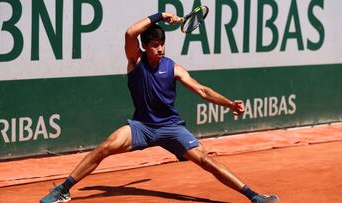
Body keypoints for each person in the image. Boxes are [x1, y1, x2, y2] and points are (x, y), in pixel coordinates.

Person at [40, 12, 279, 203]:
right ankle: (63, 189)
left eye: (162, 44)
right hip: (142, 126)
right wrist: (161, 15)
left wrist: (229, 104)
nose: (160, 49)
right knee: (105, 148)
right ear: (144, 46)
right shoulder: (135, 61)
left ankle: (254, 196)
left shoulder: (172, 67)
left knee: (205, 160)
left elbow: (202, 90)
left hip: (170, 127)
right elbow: (130, 32)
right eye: (155, 44)